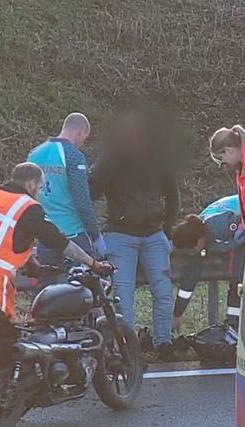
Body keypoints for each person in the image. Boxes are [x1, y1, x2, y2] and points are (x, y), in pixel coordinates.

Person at [0, 162, 107, 424]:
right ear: (33, 185)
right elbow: (59, 241)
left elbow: (2, 235)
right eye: (40, 188)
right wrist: (92, 263)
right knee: (0, 340)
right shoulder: (27, 206)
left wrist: (33, 265)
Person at [90, 108, 180, 361]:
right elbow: (91, 190)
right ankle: (127, 349)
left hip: (153, 234)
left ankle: (164, 343)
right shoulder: (111, 160)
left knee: (163, 293)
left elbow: (173, 197)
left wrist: (166, 230)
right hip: (120, 235)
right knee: (123, 297)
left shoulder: (158, 160)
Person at [26, 113, 104, 284]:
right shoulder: (73, 156)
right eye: (85, 136)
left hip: (45, 234)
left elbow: (28, 200)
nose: (83, 141)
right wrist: (96, 235)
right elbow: (82, 202)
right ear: (79, 132)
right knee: (88, 290)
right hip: (73, 234)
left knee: (46, 293)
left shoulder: (34, 155)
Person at [170, 195, 245, 332]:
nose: (190, 254)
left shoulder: (219, 225)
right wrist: (177, 313)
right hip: (239, 231)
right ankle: (233, 327)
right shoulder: (197, 233)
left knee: (238, 276)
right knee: (237, 278)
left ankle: (234, 326)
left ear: (199, 241)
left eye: (191, 250)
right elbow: (191, 277)